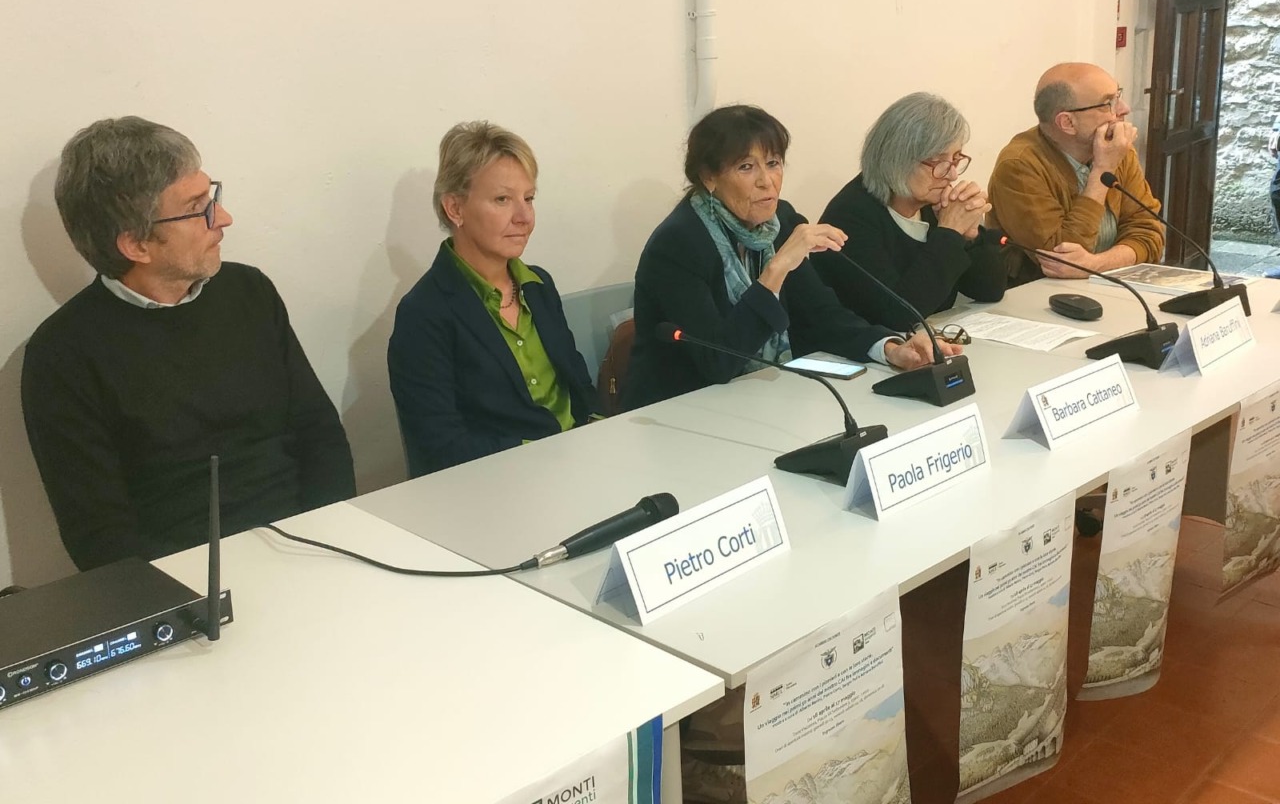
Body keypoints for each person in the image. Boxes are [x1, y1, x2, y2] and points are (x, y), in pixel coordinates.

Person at [22, 117, 355, 571]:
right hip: (189, 581)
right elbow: (99, 536)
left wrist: (330, 538)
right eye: (198, 208)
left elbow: (320, 433)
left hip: (311, 546)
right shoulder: (63, 355)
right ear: (136, 244)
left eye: (211, 195)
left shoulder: (250, 292)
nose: (223, 218)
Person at [622, 104, 960, 410]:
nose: (766, 182)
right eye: (746, 167)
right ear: (709, 177)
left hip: (758, 401)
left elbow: (822, 316)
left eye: (773, 163)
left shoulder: (780, 221)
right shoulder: (679, 244)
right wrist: (777, 269)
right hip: (677, 412)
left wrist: (890, 348)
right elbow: (718, 361)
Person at [388, 121, 595, 477]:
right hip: (501, 484)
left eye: (528, 198)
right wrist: (547, 458)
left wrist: (602, 432)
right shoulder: (423, 313)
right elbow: (439, 446)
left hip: (580, 464)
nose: (524, 217)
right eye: (503, 199)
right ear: (455, 209)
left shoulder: (539, 285)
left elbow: (580, 388)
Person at [813, 92, 1006, 330]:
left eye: (956, 160)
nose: (952, 174)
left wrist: (970, 235)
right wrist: (949, 233)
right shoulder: (851, 217)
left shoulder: (933, 203)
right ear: (897, 159)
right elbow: (900, 315)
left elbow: (990, 290)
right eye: (939, 162)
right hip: (865, 347)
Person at [987, 62, 1165, 284]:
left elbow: (1149, 233)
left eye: (1118, 96)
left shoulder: (1116, 148)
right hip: (1041, 294)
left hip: (1111, 285)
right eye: (1108, 103)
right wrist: (1102, 171)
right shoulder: (1019, 166)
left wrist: (1096, 265)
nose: (1124, 109)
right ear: (1067, 122)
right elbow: (1061, 260)